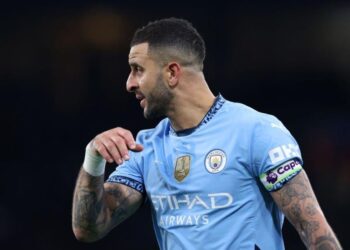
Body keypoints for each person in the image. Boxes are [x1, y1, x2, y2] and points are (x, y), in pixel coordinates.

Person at [72, 17, 342, 250]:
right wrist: (93, 159)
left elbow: (315, 232)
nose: (129, 83)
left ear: (172, 73)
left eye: (137, 69)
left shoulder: (255, 131)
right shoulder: (144, 148)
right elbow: (90, 228)